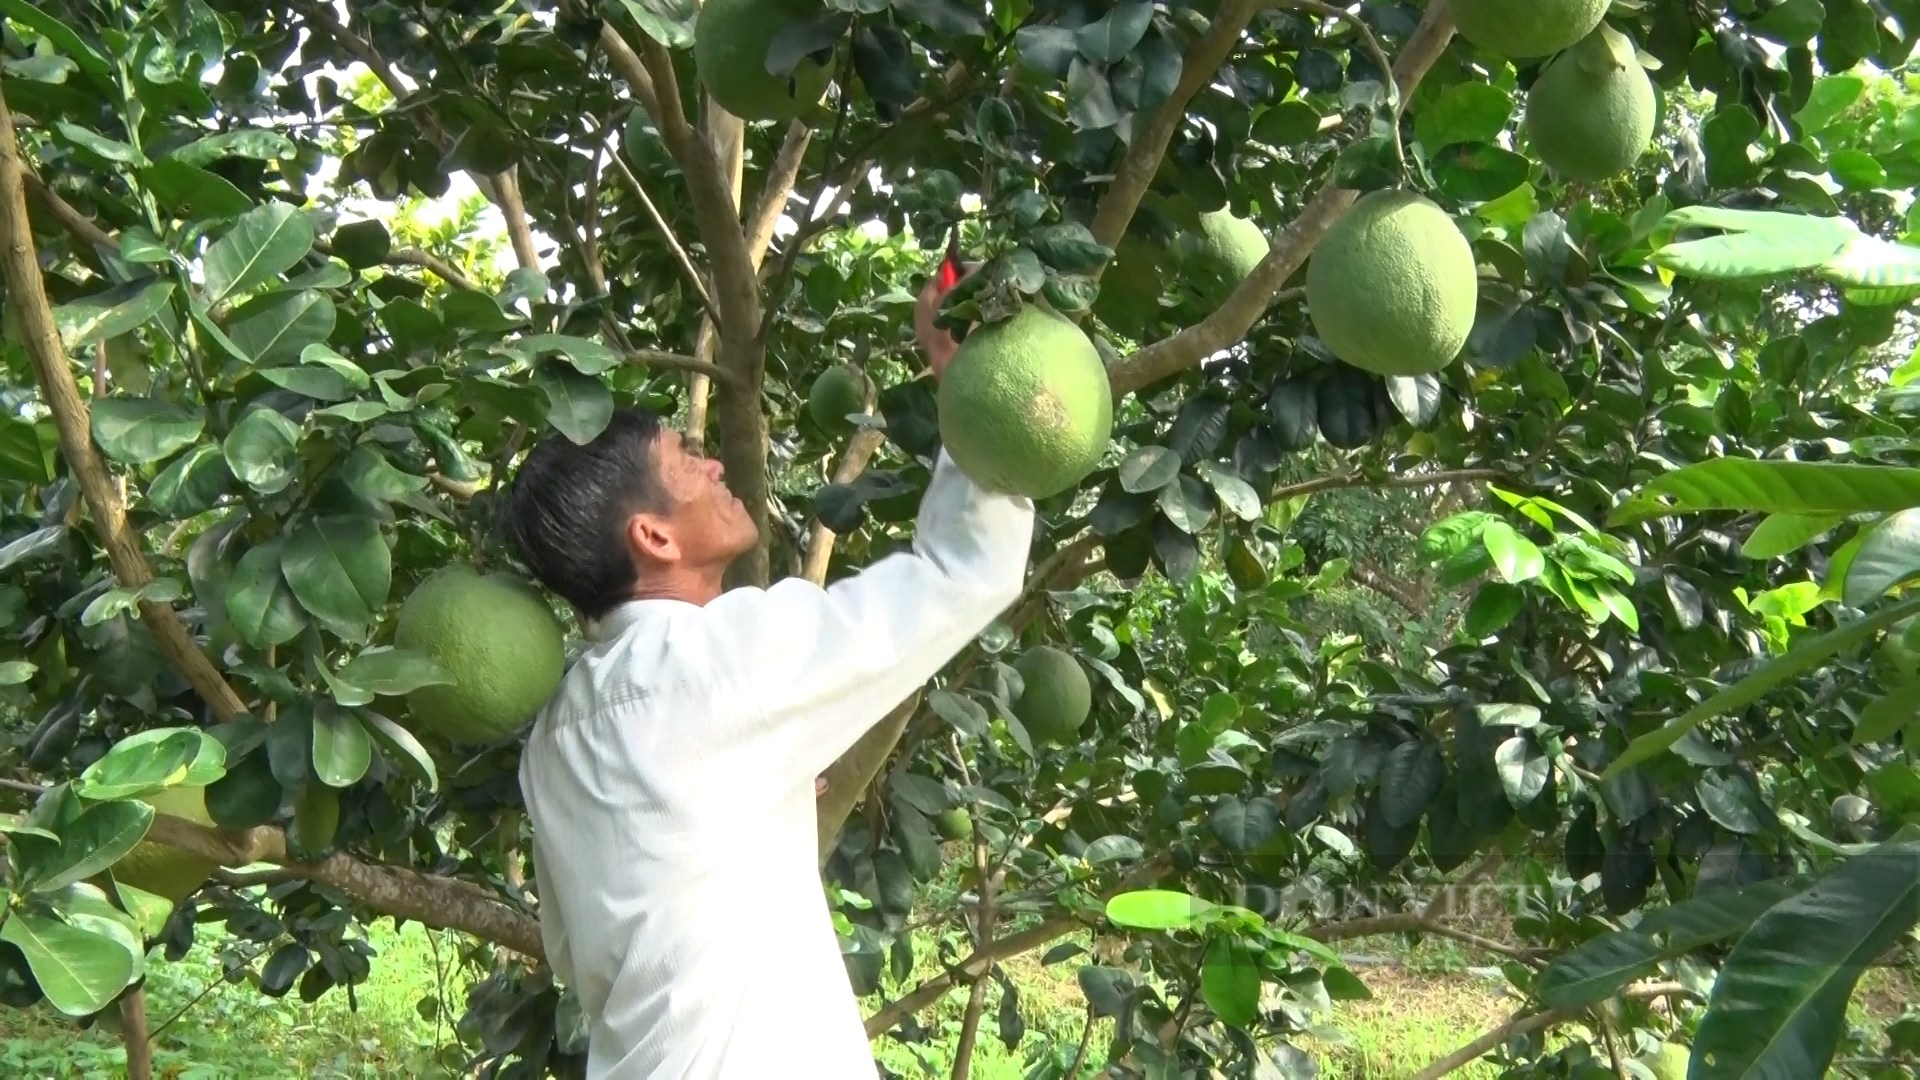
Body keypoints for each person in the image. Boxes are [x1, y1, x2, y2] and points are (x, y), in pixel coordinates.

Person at [500, 267, 1036, 1079]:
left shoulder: (555, 736)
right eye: (688, 460)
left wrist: (751, 790)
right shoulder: (718, 666)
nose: (715, 466)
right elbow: (968, 570)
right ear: (653, 537)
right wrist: (965, 385)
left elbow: (581, 952)